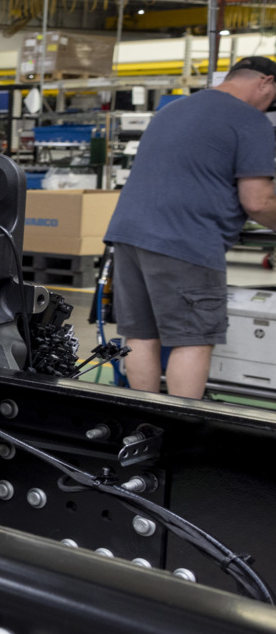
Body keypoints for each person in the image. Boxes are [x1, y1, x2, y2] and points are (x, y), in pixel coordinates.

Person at [104, 55, 276, 398]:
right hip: (185, 240)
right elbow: (257, 201)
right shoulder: (250, 121)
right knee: (194, 339)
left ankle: (145, 427)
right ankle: (182, 430)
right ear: (266, 82)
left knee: (140, 336)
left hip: (128, 235)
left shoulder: (173, 110)